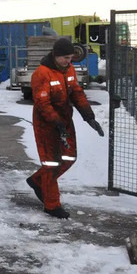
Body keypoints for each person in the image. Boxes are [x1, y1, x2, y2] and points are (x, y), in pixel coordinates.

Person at [26, 37, 105, 219]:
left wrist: (89, 117)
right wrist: (56, 123)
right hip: (46, 124)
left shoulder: (69, 70)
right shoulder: (42, 73)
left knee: (69, 158)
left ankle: (37, 180)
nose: (68, 61)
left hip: (65, 120)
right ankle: (51, 205)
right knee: (52, 164)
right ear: (55, 55)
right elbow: (42, 103)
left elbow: (76, 92)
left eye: (70, 58)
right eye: (65, 58)